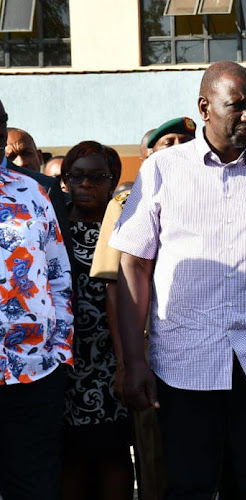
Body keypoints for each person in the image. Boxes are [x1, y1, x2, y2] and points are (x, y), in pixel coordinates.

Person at [111, 61, 246, 498]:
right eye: (238, 106)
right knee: (188, 485)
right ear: (204, 107)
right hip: (183, 362)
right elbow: (133, 266)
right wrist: (133, 360)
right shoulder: (161, 171)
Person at [90, 119, 195, 500]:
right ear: (146, 155)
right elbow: (116, 288)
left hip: (202, 346)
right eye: (168, 142)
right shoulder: (126, 204)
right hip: (150, 347)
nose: (179, 147)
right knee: (155, 455)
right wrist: (126, 362)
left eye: (186, 140)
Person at [0, 98, 74, 500]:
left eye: (2, 122)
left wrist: (59, 349)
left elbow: (60, 275)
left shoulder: (35, 190)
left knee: (34, 488)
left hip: (34, 373)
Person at [58, 141, 132, 500]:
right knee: (69, 458)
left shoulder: (123, 227)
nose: (85, 185)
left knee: (112, 453)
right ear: (65, 181)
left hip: (110, 359)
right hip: (63, 364)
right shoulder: (55, 227)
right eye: (77, 176)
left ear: (112, 180)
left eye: (96, 177)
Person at [4, 128, 72, 261]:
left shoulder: (49, 190)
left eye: (26, 153)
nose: (21, 162)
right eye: (11, 157)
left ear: (39, 156)